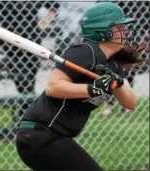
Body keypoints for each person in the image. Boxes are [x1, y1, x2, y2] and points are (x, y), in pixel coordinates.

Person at [16, 2, 147, 170]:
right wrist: (92, 88)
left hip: (52, 136)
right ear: (102, 30)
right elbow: (53, 87)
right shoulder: (83, 51)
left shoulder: (112, 64)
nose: (126, 31)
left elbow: (130, 103)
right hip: (41, 134)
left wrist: (117, 81)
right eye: (120, 26)